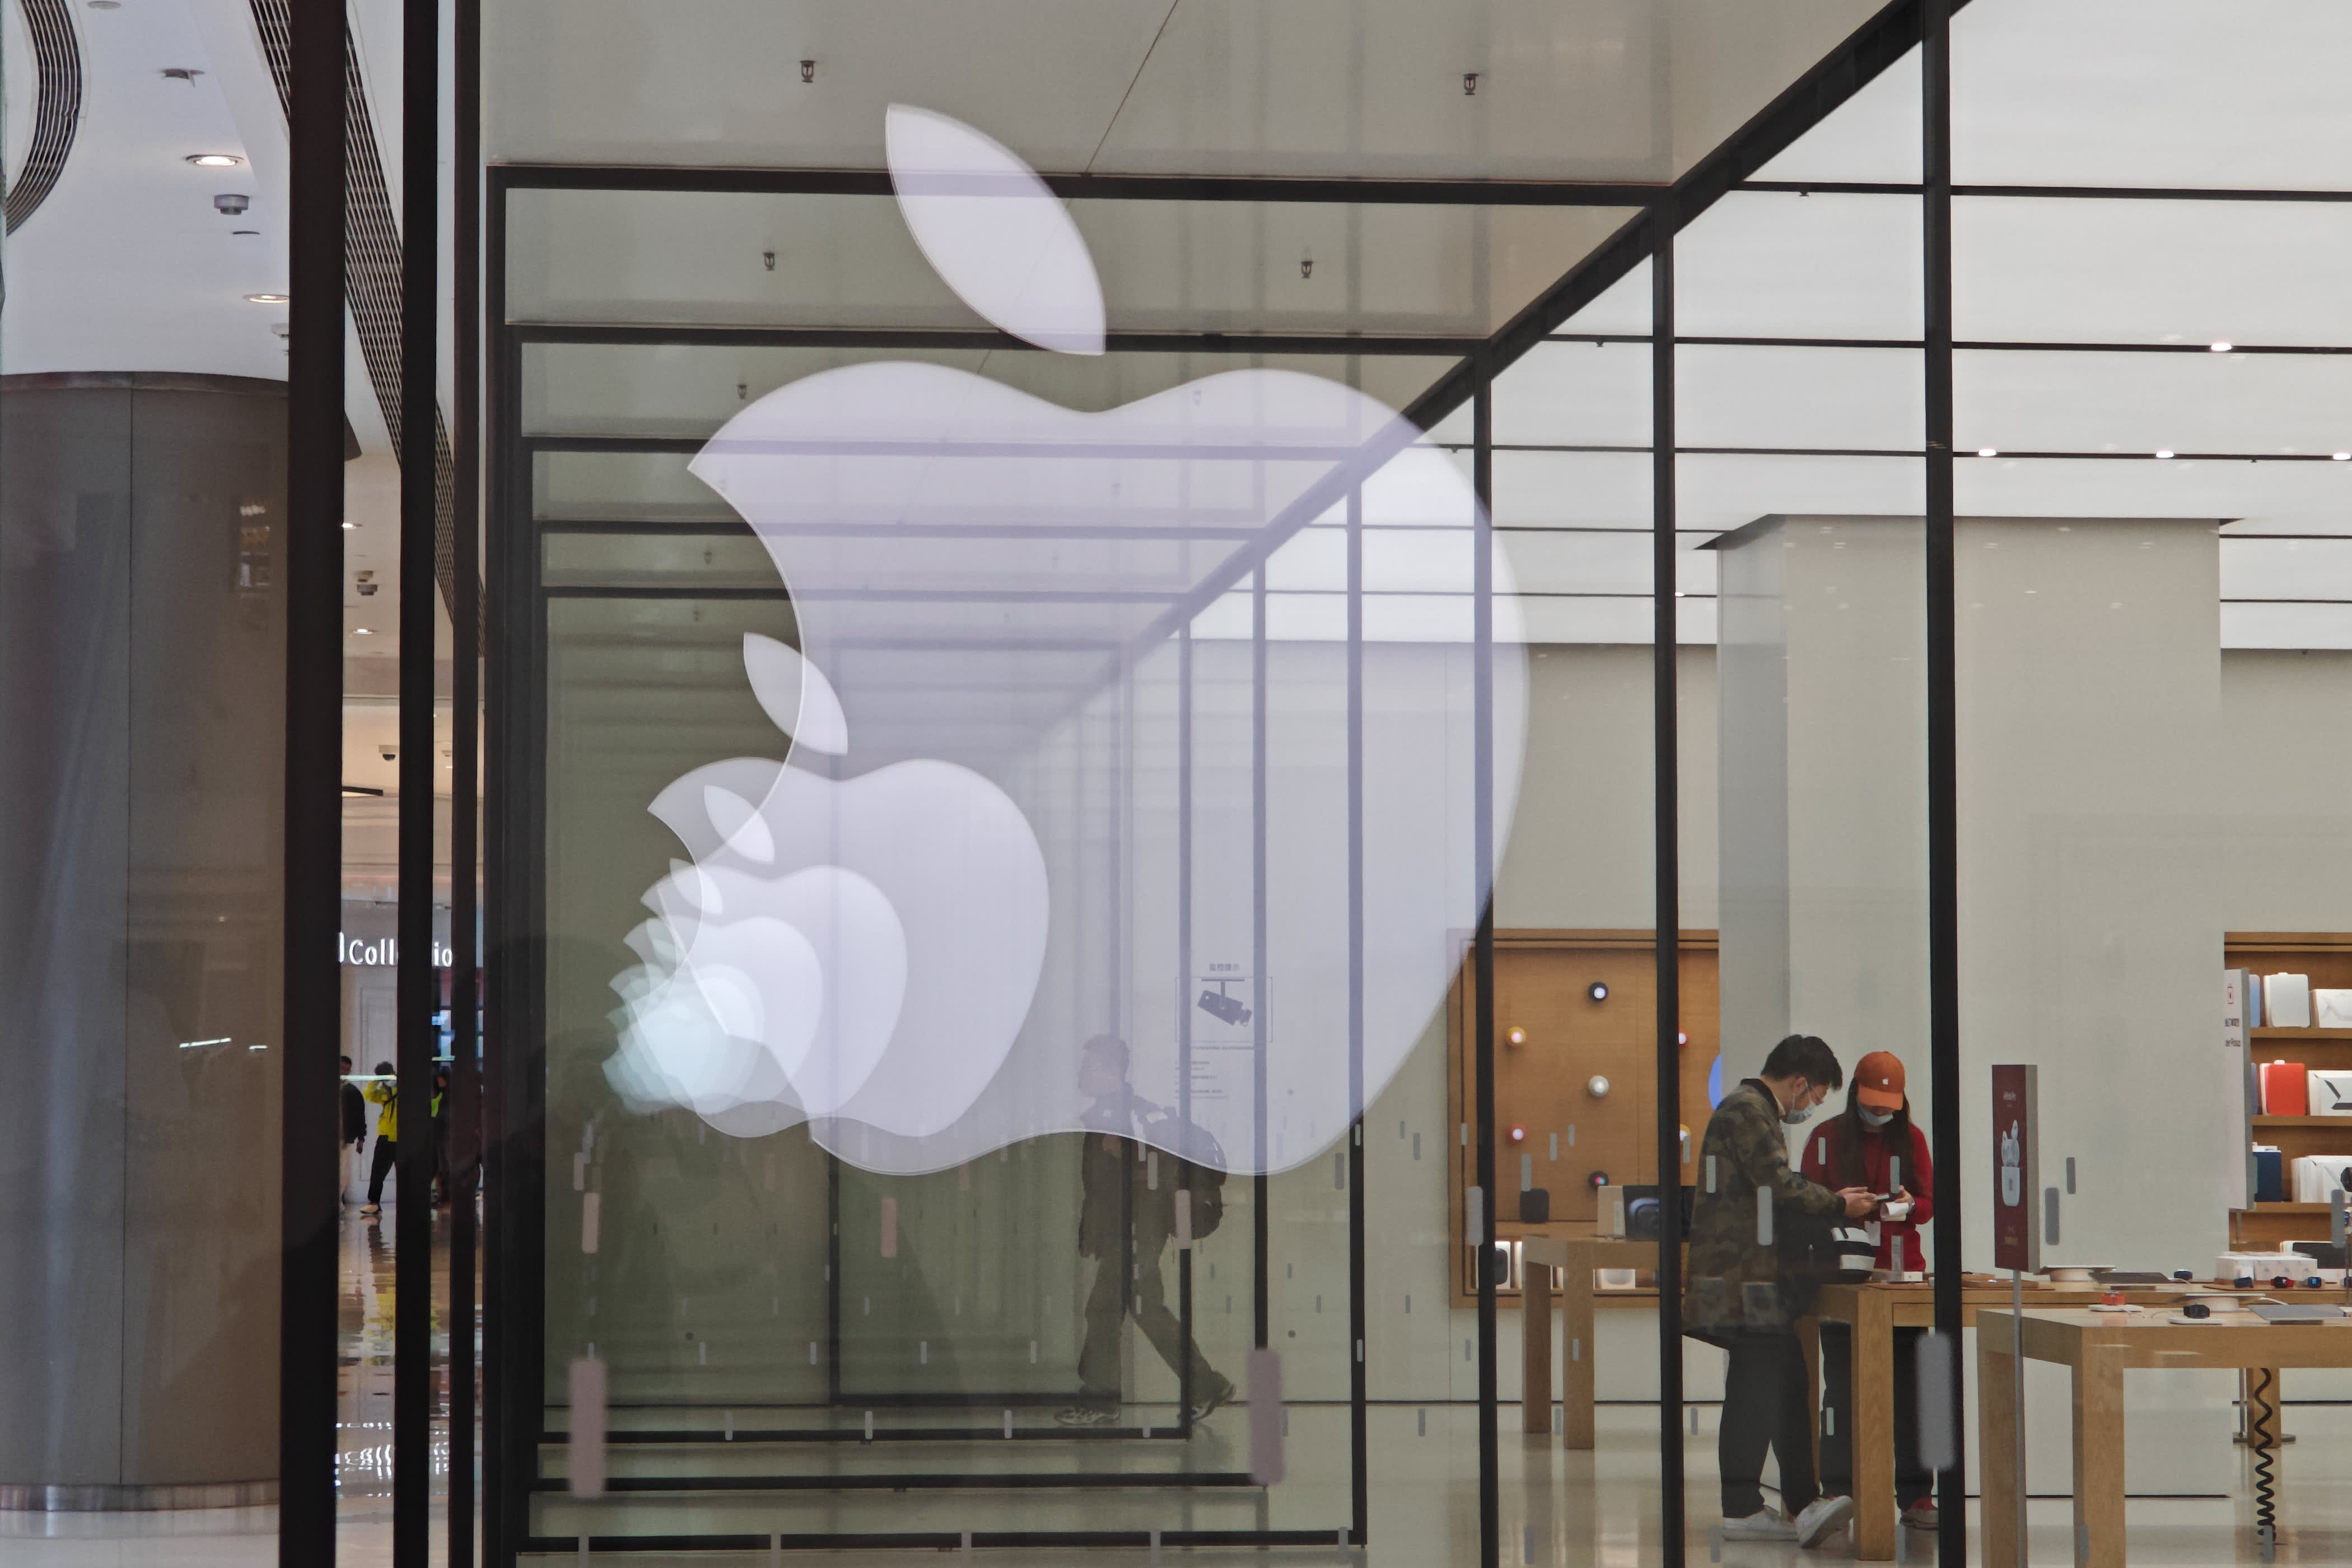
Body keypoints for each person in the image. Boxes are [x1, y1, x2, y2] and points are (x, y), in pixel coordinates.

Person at [1686, 1034, 1877, 1549]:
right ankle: (1775, 1503)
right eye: (1815, 1097)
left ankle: (1772, 1504)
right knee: (1772, 1385)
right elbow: (1777, 1184)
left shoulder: (1746, 1110)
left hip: (1748, 1280)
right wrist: (1839, 1205)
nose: (1812, 1107)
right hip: (1743, 1280)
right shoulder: (1750, 1111)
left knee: (1770, 1384)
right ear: (1799, 1083)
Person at [1057, 1034, 1235, 1429]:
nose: (1082, 1074)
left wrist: (1133, 1158)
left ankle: (1101, 1400)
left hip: (1138, 1232)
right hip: (1130, 1231)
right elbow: (1104, 1188)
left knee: (1104, 1311)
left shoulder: (1135, 1116)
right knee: (1147, 1310)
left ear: (1109, 1071)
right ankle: (1206, 1385)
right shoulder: (1110, 1115)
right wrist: (1094, 1232)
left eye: (1089, 1067)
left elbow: (1161, 1173)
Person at [1801, 1049, 1938, 1533]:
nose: (1880, 1112)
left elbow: (1927, 1203)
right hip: (1843, 1277)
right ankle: (1839, 1488)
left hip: (1902, 1277)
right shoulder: (1826, 1139)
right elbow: (1806, 1201)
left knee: (1914, 1390)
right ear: (1855, 1091)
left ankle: (1919, 1495)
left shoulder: (1913, 1139)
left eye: (1888, 1105)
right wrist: (1841, 1207)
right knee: (1842, 1386)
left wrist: (1905, 1207)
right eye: (1872, 1102)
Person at [362, 1062, 398, 1215]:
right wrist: (376, 1081)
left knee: (406, 1173)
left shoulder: (400, 1088)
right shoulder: (385, 1090)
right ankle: (374, 1203)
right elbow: (369, 1095)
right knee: (377, 1172)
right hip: (385, 1136)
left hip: (400, 1137)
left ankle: (410, 1202)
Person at [340, 1056, 367, 1202]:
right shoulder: (350, 1091)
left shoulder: (351, 1092)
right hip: (340, 1136)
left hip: (344, 1137)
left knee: (342, 1171)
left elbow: (359, 1115)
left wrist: (361, 1138)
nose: (344, 1072)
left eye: (346, 1069)